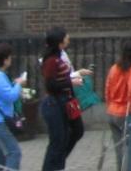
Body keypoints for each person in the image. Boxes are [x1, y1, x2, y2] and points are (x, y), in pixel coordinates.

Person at [40, 27, 89, 171]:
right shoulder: (51, 61)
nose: (68, 38)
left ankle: (58, 162)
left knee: (77, 130)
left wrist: (75, 77)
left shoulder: (60, 57)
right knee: (57, 140)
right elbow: (51, 85)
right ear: (59, 42)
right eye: (65, 37)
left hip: (68, 101)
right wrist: (71, 82)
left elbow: (64, 77)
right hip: (56, 103)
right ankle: (52, 166)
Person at [0, 42, 27, 171]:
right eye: (9, 56)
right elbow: (11, 96)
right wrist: (19, 84)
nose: (11, 59)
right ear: (4, 59)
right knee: (14, 152)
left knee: (0, 157)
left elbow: (2, 92)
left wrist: (14, 84)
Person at [105, 41, 131, 171]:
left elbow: (107, 89)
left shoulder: (114, 68)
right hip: (127, 113)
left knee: (120, 151)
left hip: (112, 111)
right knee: (130, 150)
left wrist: (110, 105)